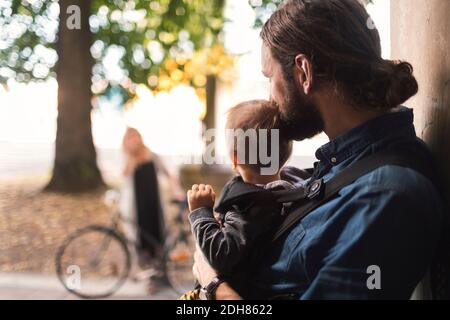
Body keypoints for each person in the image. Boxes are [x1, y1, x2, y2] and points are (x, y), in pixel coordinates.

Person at [192, 0, 444, 300]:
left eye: (269, 78)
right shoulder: (342, 167)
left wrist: (212, 285)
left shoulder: (386, 196)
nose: (270, 96)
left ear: (303, 72)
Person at [181, 100, 305, 299]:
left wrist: (200, 213)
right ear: (286, 153)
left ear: (235, 159)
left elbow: (222, 255)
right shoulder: (289, 189)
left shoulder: (251, 205)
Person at [120, 127, 182, 283]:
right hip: (136, 207)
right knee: (141, 239)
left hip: (154, 204)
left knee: (158, 236)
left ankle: (162, 274)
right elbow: (124, 177)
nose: (135, 141)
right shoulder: (127, 158)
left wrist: (177, 191)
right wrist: (130, 156)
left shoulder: (152, 156)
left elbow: (169, 174)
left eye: (136, 137)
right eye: (131, 138)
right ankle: (149, 275)